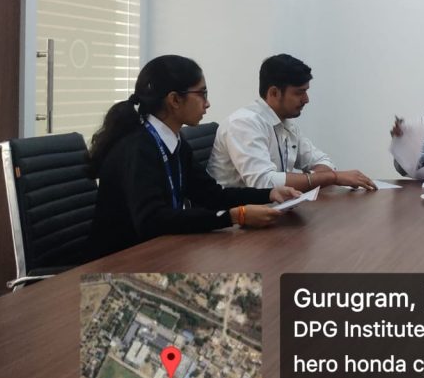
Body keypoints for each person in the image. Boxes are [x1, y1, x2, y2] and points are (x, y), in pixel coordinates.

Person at [89, 55, 296, 256]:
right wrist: (235, 216)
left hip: (160, 252)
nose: (208, 103)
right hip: (120, 263)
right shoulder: (137, 148)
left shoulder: (176, 143)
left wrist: (270, 194)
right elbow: (152, 220)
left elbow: (212, 196)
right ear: (175, 100)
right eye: (202, 94)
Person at [209, 54, 376, 192]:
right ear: (274, 93)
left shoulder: (285, 123)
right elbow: (263, 184)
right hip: (236, 217)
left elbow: (322, 161)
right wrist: (331, 177)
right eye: (299, 93)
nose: (306, 99)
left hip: (272, 210)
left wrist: (323, 176)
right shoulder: (243, 123)